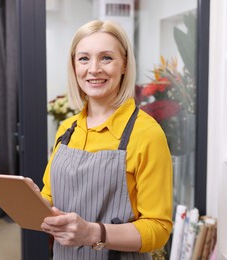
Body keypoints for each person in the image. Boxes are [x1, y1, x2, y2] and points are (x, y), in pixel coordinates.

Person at [40, 20, 173, 259]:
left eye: (106, 58)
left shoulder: (147, 134)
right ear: (74, 66)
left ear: (123, 65)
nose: (93, 69)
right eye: (83, 58)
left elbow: (159, 228)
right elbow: (49, 195)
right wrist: (28, 203)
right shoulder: (66, 130)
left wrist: (92, 233)